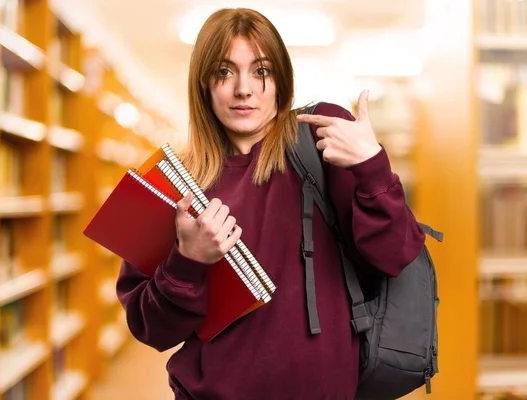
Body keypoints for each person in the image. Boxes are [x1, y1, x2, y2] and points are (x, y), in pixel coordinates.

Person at [116, 7, 425, 400]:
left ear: (280, 80)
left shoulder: (321, 142)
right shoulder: (172, 184)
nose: (244, 88)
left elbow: (395, 255)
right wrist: (188, 261)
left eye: (261, 71)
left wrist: (372, 168)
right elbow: (150, 329)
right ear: (203, 85)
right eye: (224, 71)